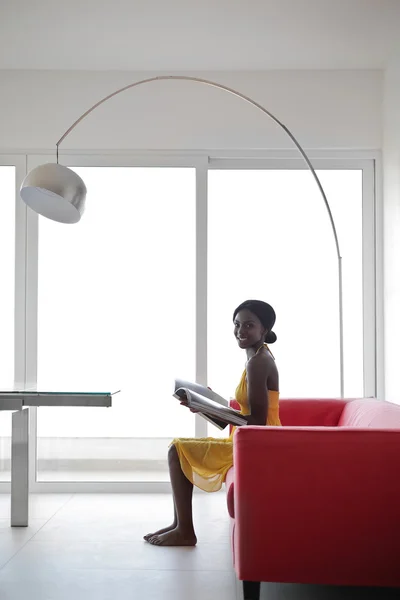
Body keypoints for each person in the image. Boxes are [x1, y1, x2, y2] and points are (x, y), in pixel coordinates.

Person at [144, 299, 281, 546]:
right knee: (179, 447)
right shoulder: (256, 356)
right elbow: (248, 412)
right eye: (237, 324)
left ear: (265, 330)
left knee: (177, 449)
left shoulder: (258, 362)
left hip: (261, 443)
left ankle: (185, 530)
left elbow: (257, 422)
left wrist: (208, 409)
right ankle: (178, 524)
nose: (241, 331)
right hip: (254, 438)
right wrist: (210, 404)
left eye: (249, 325)